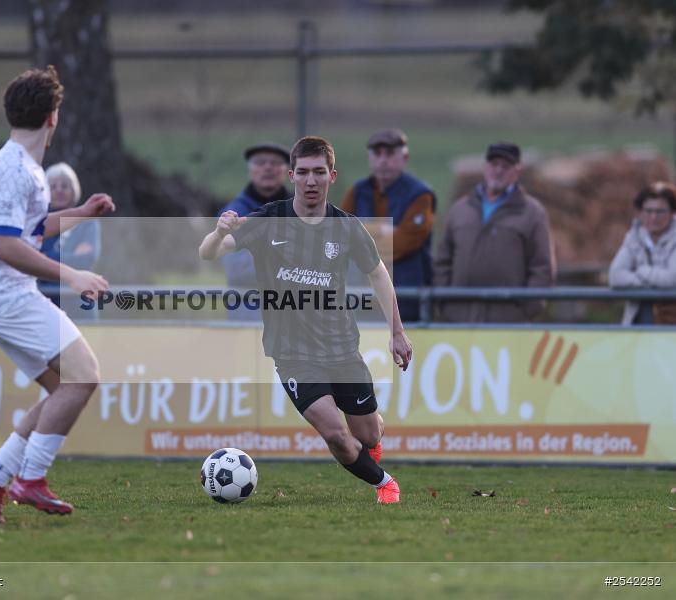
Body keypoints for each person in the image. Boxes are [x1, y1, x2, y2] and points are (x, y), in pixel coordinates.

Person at [199, 136, 412, 504]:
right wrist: (218, 233)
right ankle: (385, 485)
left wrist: (397, 332)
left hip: (341, 348)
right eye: (303, 173)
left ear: (332, 176)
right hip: (293, 353)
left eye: (319, 172)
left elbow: (378, 274)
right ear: (292, 176)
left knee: (368, 435)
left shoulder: (347, 227)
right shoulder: (268, 220)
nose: (311, 181)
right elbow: (208, 254)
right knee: (335, 435)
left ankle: (371, 445)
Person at [0, 66, 115, 524]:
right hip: (4, 296)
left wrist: (81, 212)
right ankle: (30, 479)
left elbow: (27, 230)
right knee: (84, 375)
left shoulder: (21, 166)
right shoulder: (18, 171)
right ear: (53, 117)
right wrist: (73, 276)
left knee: (60, 387)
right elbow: (6, 246)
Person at [433, 142, 555, 322]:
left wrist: (526, 310)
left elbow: (542, 267)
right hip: (460, 320)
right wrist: (446, 305)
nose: (498, 171)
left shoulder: (532, 213)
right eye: (494, 164)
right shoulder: (460, 209)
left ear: (518, 171)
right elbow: (443, 261)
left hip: (508, 322)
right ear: (485, 167)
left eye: (505, 166)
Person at [339, 128, 435, 322]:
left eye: (390, 153)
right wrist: (381, 230)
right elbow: (339, 235)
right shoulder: (357, 191)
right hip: (363, 300)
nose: (383, 160)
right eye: (377, 153)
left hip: (405, 302)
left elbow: (402, 243)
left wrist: (360, 237)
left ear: (405, 158)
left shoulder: (420, 195)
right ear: (369, 158)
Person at [219, 143, 291, 320]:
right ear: (249, 170)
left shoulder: (303, 210)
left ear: (287, 171)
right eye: (260, 162)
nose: (268, 167)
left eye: (275, 162)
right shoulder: (233, 213)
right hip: (248, 309)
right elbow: (237, 270)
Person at [609, 182, 676, 325]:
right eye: (648, 211)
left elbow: (672, 278)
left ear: (672, 213)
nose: (653, 217)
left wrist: (642, 271)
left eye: (660, 211)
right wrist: (652, 283)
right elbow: (615, 276)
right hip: (639, 324)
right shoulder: (633, 237)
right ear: (640, 212)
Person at [40, 162, 101, 319]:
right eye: (53, 186)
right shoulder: (36, 222)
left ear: (74, 190)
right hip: (44, 302)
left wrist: (45, 258)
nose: (59, 190)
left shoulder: (87, 222)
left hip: (79, 304)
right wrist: (69, 258)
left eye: (65, 186)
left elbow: (85, 260)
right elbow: (27, 261)